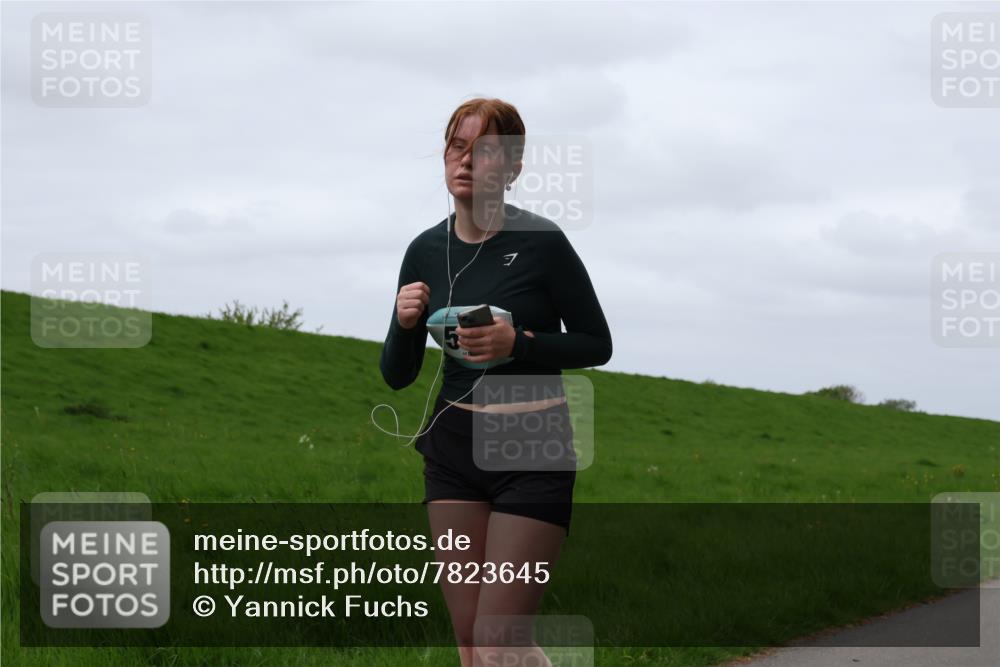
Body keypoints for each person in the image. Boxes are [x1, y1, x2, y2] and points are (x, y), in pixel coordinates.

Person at [378, 97, 612, 667]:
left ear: (511, 168)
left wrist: (521, 343)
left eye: (483, 151)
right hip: (453, 450)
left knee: (498, 638)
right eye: (457, 147)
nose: (465, 162)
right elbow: (397, 374)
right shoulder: (424, 250)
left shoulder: (543, 243)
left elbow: (596, 344)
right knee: (469, 640)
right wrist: (404, 322)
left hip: (531, 444)